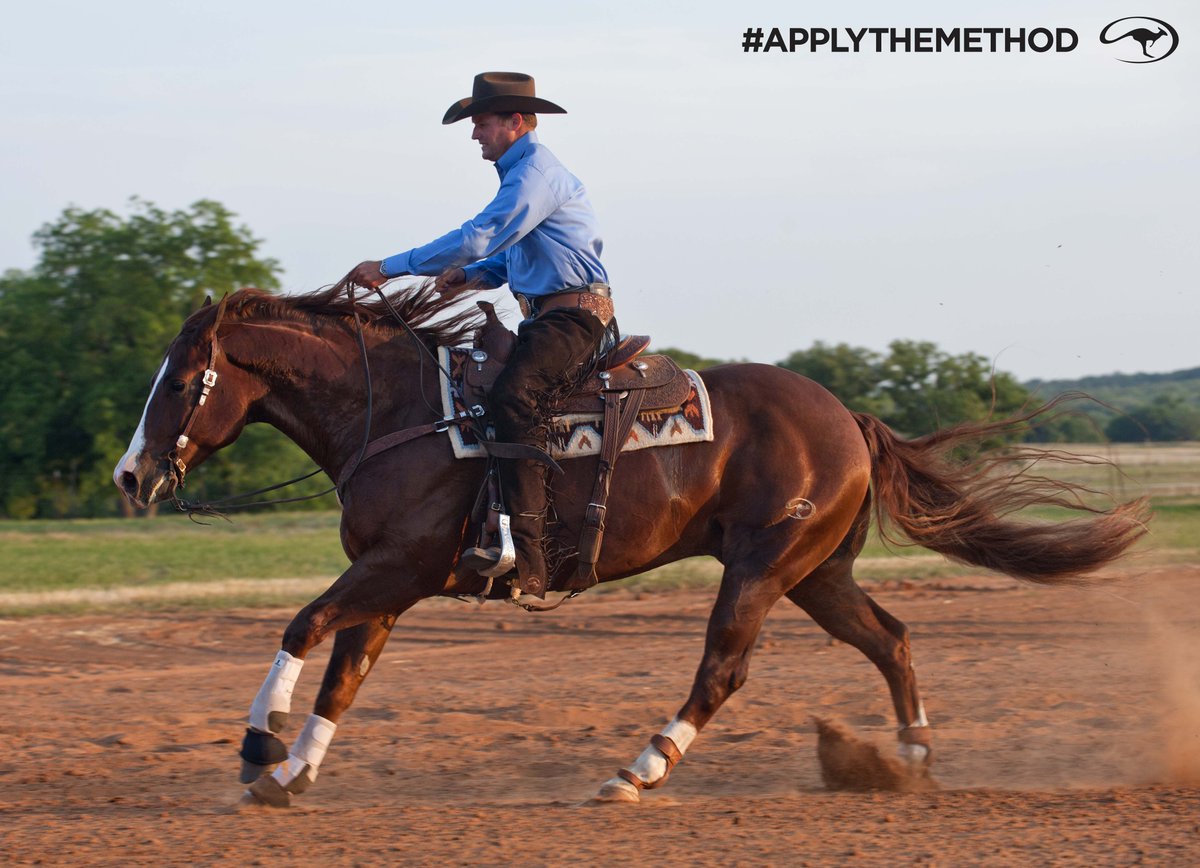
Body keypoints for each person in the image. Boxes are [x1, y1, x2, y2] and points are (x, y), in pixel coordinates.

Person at [348, 71, 612, 598]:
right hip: (547, 313)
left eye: (482, 123)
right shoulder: (525, 177)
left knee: (515, 400)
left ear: (515, 122)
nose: (474, 135)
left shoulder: (536, 174)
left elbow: (479, 236)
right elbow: (512, 253)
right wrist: (472, 277)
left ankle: (531, 551)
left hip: (573, 317)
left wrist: (393, 266)